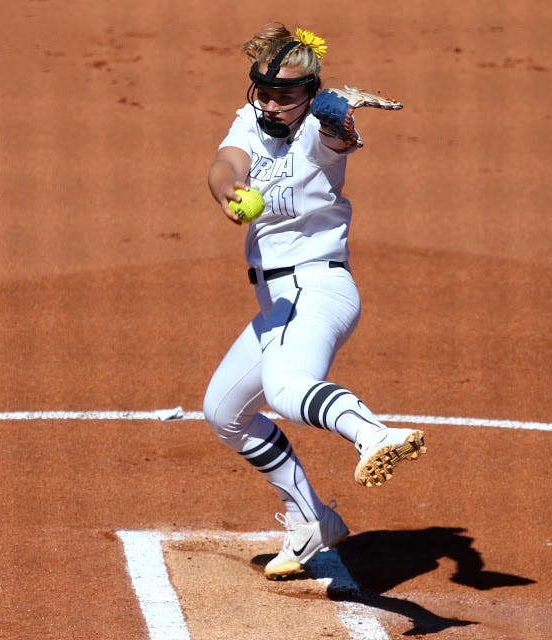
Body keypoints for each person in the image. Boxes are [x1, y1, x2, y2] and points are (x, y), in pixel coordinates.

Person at [202, 22, 427, 580]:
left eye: (286, 96)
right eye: (266, 92)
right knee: (225, 413)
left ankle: (373, 434)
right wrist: (228, 189)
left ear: (309, 95)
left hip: (317, 286)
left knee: (284, 386)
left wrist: (336, 111)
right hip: (277, 302)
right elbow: (225, 163)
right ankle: (312, 519)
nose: (273, 105)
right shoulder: (251, 123)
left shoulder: (319, 133)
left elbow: (338, 133)